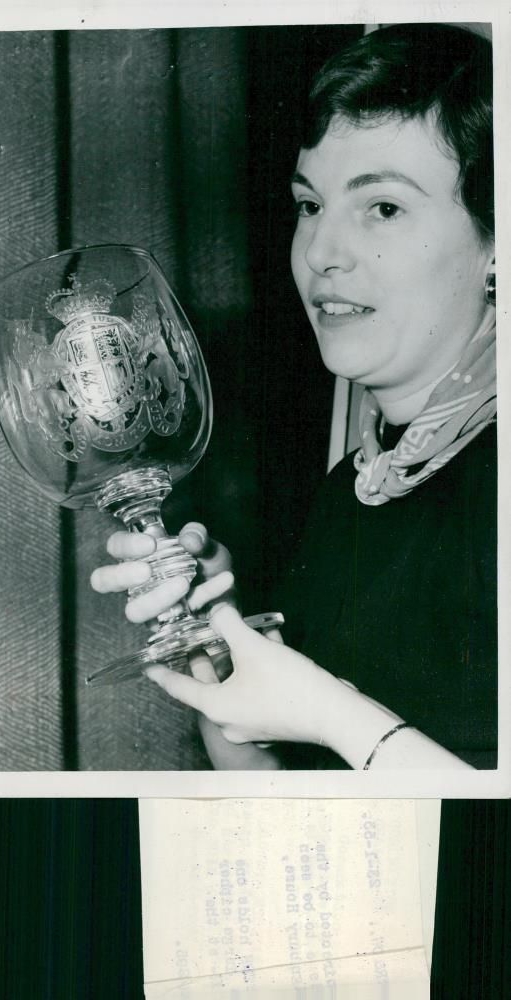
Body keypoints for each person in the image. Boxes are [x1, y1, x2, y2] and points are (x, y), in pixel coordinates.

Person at [91, 23, 497, 770]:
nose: (320, 254)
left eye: (382, 208)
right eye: (310, 206)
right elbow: (293, 807)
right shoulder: (357, 490)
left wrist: (326, 711)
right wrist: (223, 650)